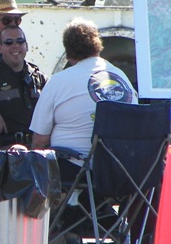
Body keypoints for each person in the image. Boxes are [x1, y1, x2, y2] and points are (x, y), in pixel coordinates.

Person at [30, 17, 138, 162]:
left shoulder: (58, 81)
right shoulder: (122, 77)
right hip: (121, 172)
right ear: (98, 46)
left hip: (75, 171)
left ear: (67, 53)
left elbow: (39, 141)